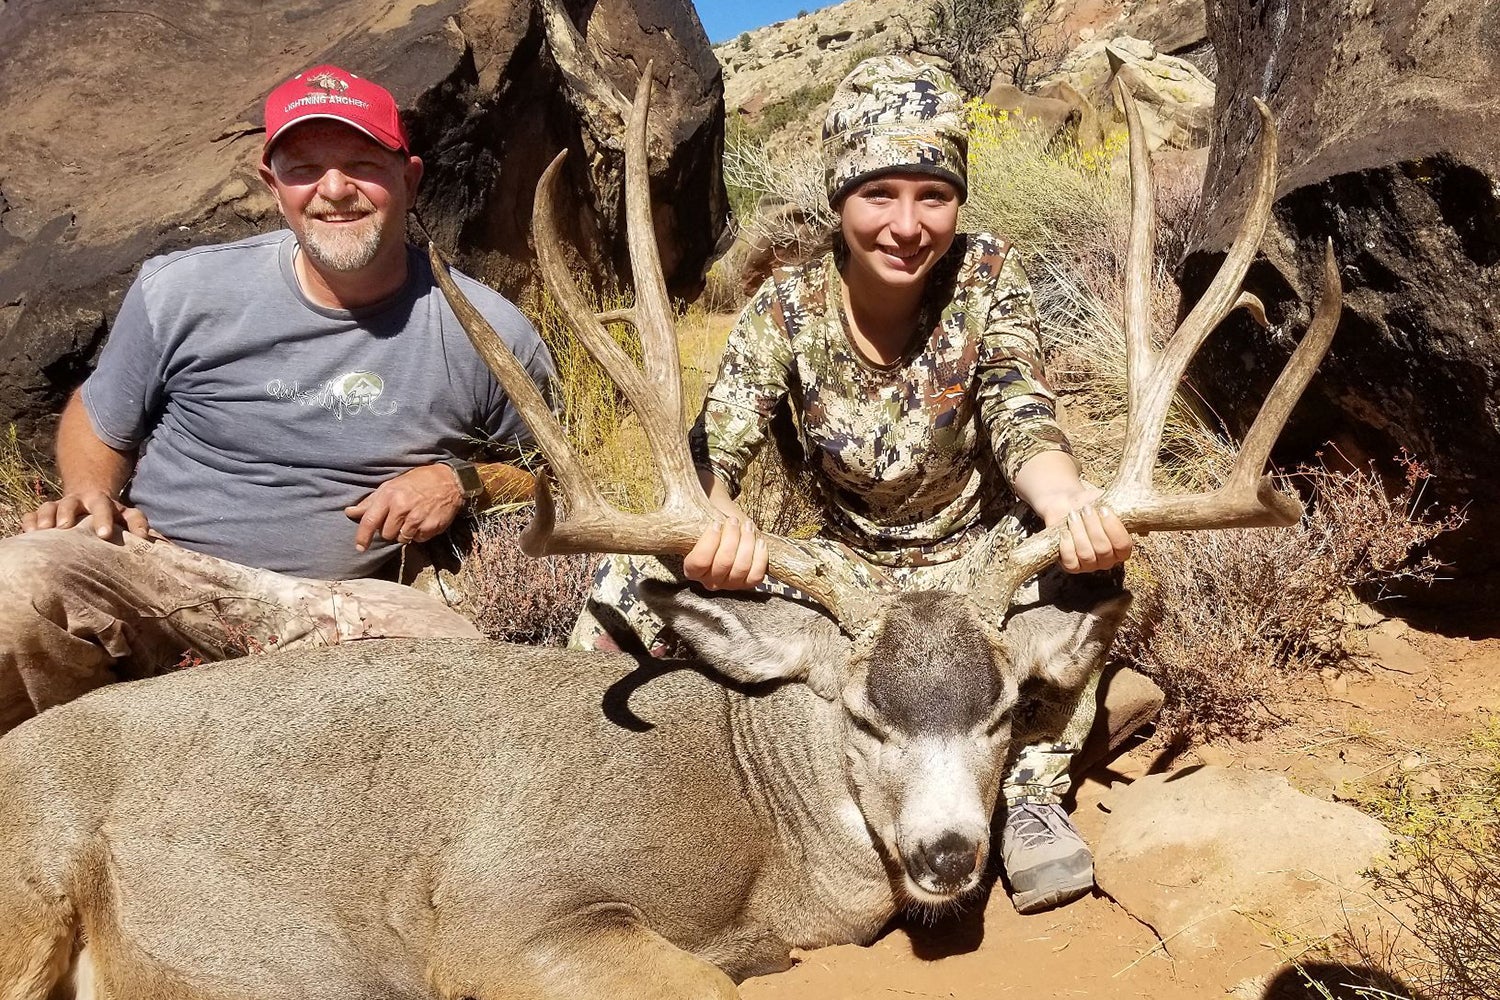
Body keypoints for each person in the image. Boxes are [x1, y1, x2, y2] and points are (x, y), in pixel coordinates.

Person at [571, 55, 1133, 914]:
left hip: (976, 574)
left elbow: (1022, 409)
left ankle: (1026, 799)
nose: (907, 225)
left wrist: (1065, 502)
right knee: (628, 577)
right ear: (840, 198)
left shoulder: (986, 277)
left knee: (1095, 570)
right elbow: (714, 448)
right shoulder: (785, 308)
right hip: (844, 582)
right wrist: (716, 525)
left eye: (933, 195)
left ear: (958, 203)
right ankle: (589, 776)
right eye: (879, 194)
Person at [0, 64, 556, 735]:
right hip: (157, 571)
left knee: (468, 673)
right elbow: (98, 412)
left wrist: (459, 479)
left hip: (341, 609)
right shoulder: (183, 291)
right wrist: (90, 489)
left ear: (409, 179)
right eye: (304, 168)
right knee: (19, 585)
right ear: (273, 187)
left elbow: (555, 478)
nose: (334, 190)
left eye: (361, 164)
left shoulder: (490, 333)